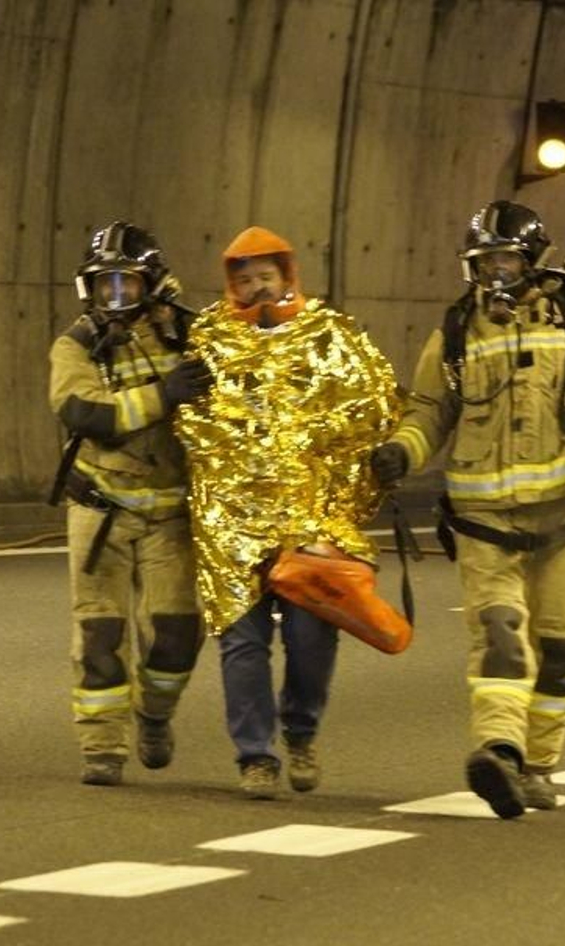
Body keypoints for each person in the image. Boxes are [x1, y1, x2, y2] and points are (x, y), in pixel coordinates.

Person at [370, 201, 565, 819]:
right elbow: (430, 411)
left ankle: (541, 764)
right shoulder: (457, 331)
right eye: (485, 260)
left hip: (562, 518)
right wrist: (400, 451)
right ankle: (501, 751)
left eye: (505, 258)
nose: (495, 271)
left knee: (561, 647)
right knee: (498, 635)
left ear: (532, 260)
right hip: (483, 520)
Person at [48, 221, 210, 786]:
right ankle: (103, 747)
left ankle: (155, 715)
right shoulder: (75, 346)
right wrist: (163, 396)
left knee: (177, 632)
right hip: (100, 513)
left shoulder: (192, 340)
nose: (113, 299)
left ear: (155, 284)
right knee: (99, 634)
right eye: (103, 286)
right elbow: (86, 415)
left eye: (127, 285)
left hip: (170, 514)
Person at [209, 227, 345, 800]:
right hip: (233, 522)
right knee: (242, 644)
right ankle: (255, 756)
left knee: (311, 637)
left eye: (265, 276)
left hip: (307, 520)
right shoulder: (209, 342)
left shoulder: (326, 337)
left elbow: (355, 416)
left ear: (287, 277)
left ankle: (301, 730)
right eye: (244, 280)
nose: (256, 289)